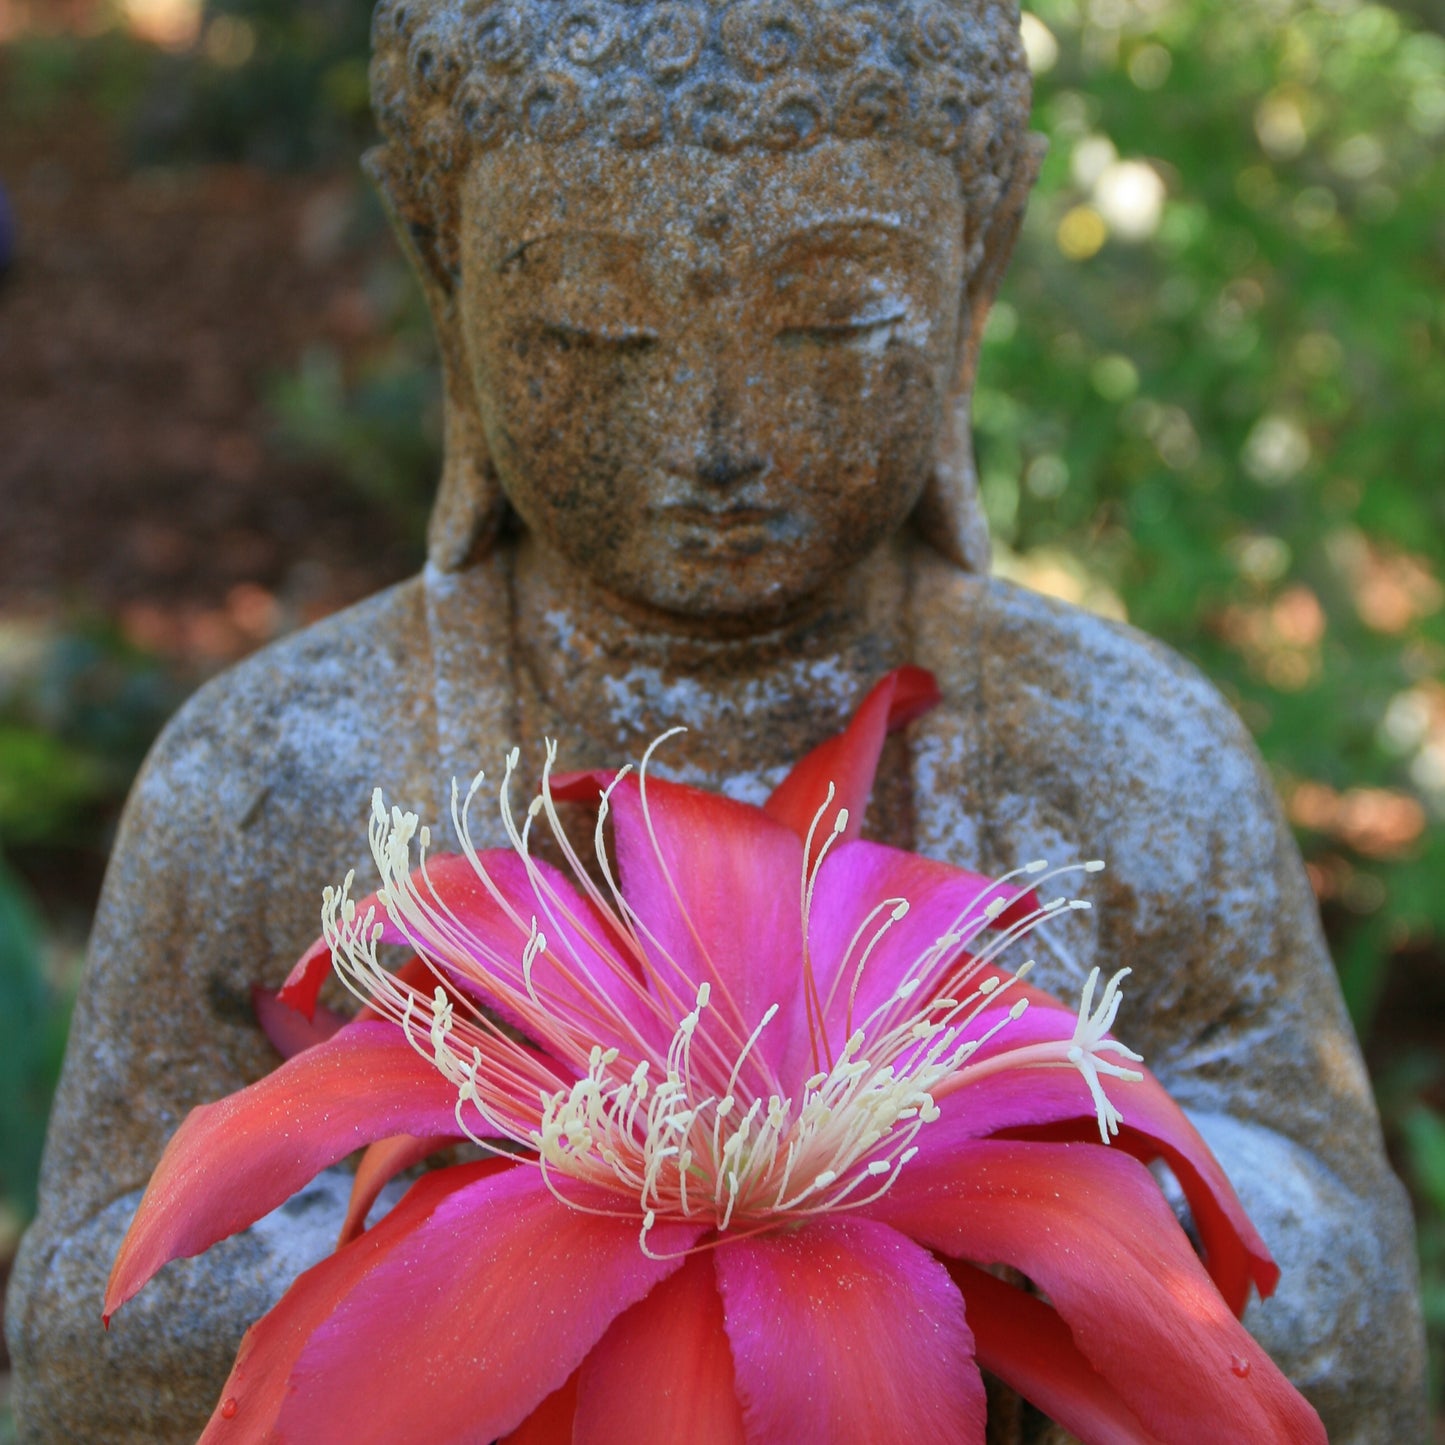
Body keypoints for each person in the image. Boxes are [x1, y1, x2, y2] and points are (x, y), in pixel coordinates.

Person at [6, 0, 1426, 1439]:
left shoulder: (1123, 751)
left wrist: (1073, 1200)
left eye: (831, 320)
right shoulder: (278, 765)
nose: (716, 437)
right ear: (448, 287)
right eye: (594, 330)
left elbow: (1353, 1300)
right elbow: (83, 1323)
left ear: (971, 275)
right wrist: (486, 1237)